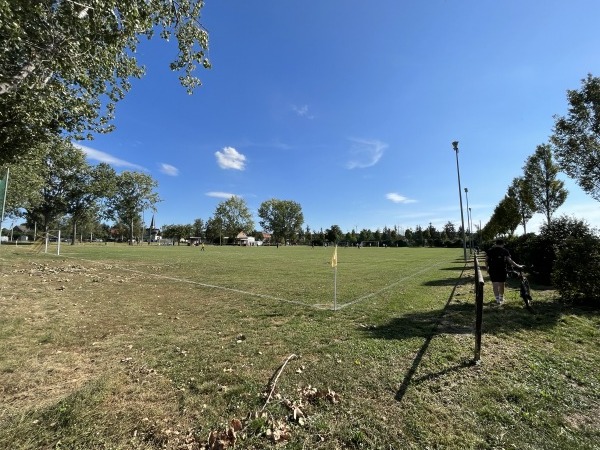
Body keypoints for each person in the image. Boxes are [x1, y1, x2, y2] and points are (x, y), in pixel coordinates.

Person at [485, 238, 523, 305]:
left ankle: (497, 299)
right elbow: (510, 261)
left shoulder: (490, 250)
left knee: (495, 284)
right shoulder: (505, 251)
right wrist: (518, 266)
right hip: (502, 269)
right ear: (503, 244)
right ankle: (501, 298)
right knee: (501, 284)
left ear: (495, 244)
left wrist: (487, 268)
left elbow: (486, 260)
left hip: (492, 269)